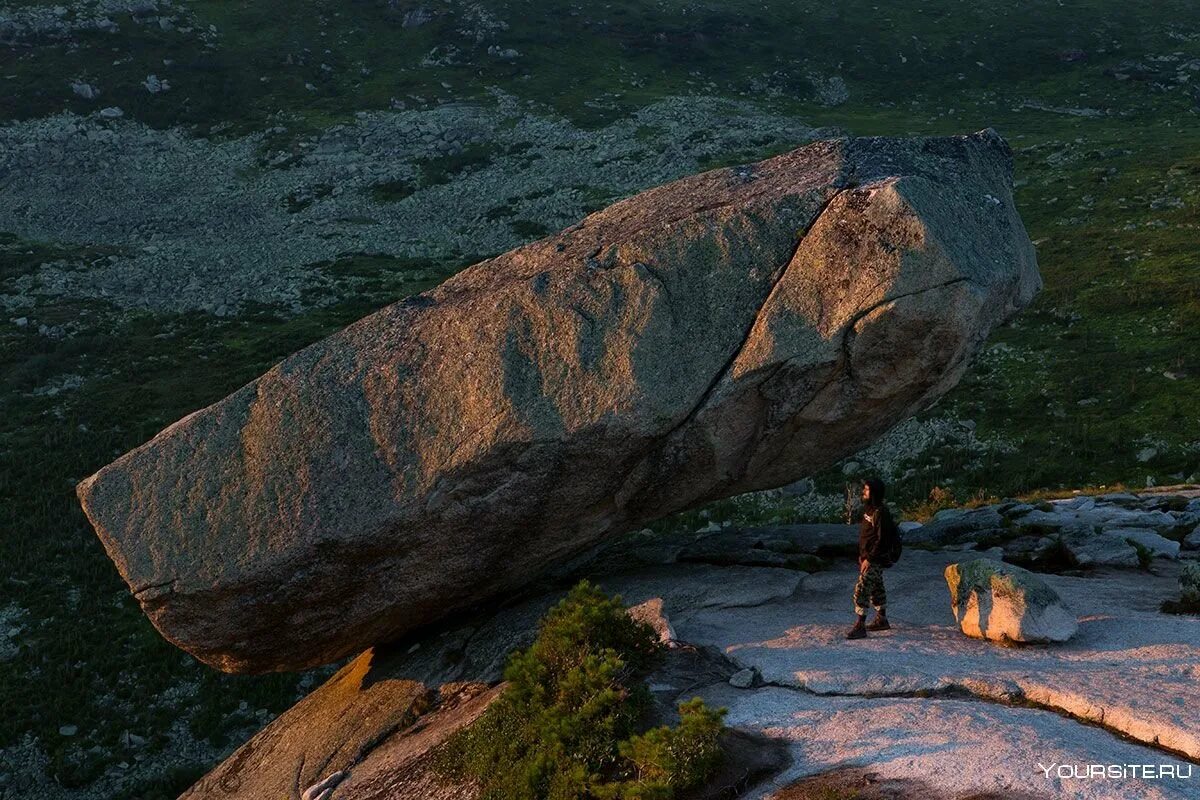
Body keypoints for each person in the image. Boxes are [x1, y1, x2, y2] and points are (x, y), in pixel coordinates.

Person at [846, 478, 895, 640]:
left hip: (875, 559)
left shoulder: (881, 512)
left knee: (862, 589)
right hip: (868, 557)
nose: (863, 492)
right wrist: (862, 555)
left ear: (874, 493)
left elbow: (882, 540)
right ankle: (882, 619)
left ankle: (860, 626)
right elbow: (867, 535)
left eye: (867, 490)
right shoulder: (869, 510)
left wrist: (870, 558)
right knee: (876, 587)